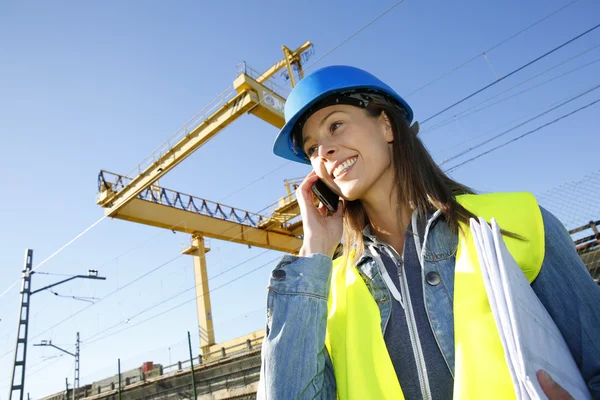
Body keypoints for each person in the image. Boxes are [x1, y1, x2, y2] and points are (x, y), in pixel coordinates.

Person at [257, 65, 600, 399]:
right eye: (311, 149)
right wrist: (315, 250)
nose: (324, 152)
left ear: (387, 126)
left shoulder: (516, 221)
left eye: (336, 125)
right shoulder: (325, 287)